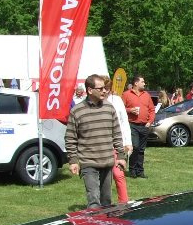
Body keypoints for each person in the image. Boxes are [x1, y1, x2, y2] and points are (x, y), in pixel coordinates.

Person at [66, 74, 126, 209]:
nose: (104, 91)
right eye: (100, 89)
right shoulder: (77, 111)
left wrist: (121, 156)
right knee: (94, 200)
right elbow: (70, 138)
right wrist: (73, 161)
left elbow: (117, 133)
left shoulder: (109, 108)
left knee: (106, 201)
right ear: (90, 90)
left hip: (107, 160)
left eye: (105, 88)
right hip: (88, 162)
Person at [121, 74, 155, 179]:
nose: (144, 83)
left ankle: (140, 171)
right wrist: (130, 110)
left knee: (141, 149)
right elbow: (121, 109)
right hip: (132, 125)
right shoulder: (126, 94)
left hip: (144, 125)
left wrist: (149, 121)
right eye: (142, 82)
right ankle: (132, 169)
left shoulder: (146, 95)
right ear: (136, 83)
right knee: (134, 147)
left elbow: (152, 110)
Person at [106, 81, 133, 203]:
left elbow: (124, 121)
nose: (105, 91)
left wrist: (128, 141)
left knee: (118, 174)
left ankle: (124, 203)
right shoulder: (94, 102)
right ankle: (103, 205)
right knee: (104, 177)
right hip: (102, 144)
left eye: (107, 88)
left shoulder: (116, 100)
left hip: (117, 142)